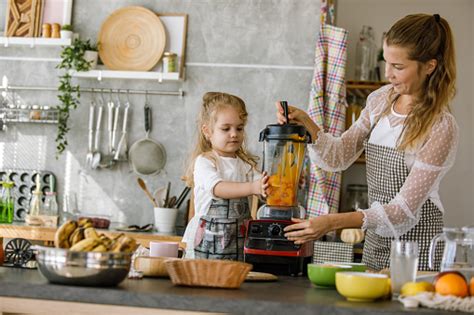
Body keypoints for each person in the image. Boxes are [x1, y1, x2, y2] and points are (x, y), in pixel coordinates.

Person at [276, 13, 458, 271]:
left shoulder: (440, 126)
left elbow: (402, 210)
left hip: (417, 247)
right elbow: (338, 156)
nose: (388, 74)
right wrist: (306, 122)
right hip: (376, 241)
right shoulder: (381, 100)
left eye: (398, 67)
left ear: (430, 66)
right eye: (387, 63)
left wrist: (331, 222)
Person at [183, 92, 269, 260]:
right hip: (207, 240)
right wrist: (252, 187)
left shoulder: (244, 164)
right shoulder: (205, 162)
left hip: (238, 240)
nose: (234, 134)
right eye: (226, 128)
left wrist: (279, 184)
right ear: (207, 131)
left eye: (239, 128)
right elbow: (218, 188)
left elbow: (263, 187)